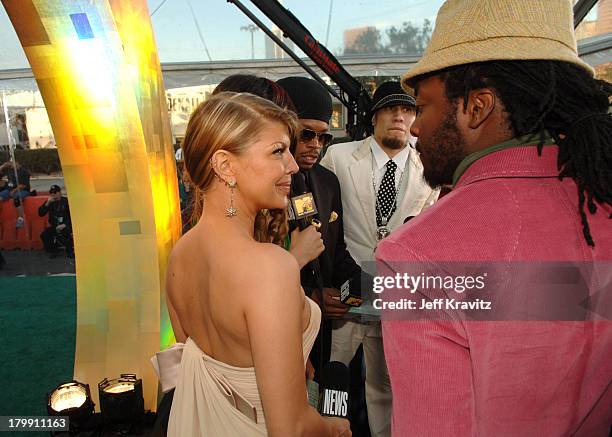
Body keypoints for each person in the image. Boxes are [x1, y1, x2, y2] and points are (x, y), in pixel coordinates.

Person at [376, 0, 612, 435]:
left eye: (423, 107)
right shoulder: (600, 204)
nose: (414, 128)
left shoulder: (417, 256)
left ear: (476, 106)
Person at [166, 92, 351, 436]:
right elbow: (290, 428)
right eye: (278, 151)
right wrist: (334, 428)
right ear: (225, 166)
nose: (293, 166)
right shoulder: (269, 267)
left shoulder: (180, 255)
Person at [320, 81, 438, 436]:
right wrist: (324, 283)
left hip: (398, 293)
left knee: (387, 383)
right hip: (347, 287)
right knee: (333, 374)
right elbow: (323, 220)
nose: (399, 117)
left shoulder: (430, 162)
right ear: (374, 118)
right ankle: (328, 430)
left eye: (408, 110)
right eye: (390, 109)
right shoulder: (339, 157)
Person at [276, 77, 363, 372]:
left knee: (328, 403)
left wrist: (353, 292)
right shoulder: (263, 189)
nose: (315, 145)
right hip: (277, 328)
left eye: (323, 137)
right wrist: (310, 295)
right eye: (307, 134)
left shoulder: (327, 183)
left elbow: (335, 252)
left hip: (323, 333)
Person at [38, 184, 73, 258]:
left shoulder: (66, 201)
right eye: (51, 193)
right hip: (55, 225)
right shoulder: (50, 202)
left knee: (64, 232)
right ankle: (53, 250)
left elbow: (73, 216)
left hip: (65, 225)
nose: (53, 194)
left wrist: (65, 224)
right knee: (45, 234)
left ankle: (69, 250)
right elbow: (41, 213)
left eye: (55, 192)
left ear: (59, 192)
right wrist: (47, 203)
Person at [0, 160, 31, 228]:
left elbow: (23, 185)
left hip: (23, 190)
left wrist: (14, 191)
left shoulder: (24, 172)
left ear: (16, 162)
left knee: (16, 198)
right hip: (9, 189)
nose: (10, 164)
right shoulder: (9, 170)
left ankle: (21, 218)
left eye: (11, 162)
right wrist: (3, 166)